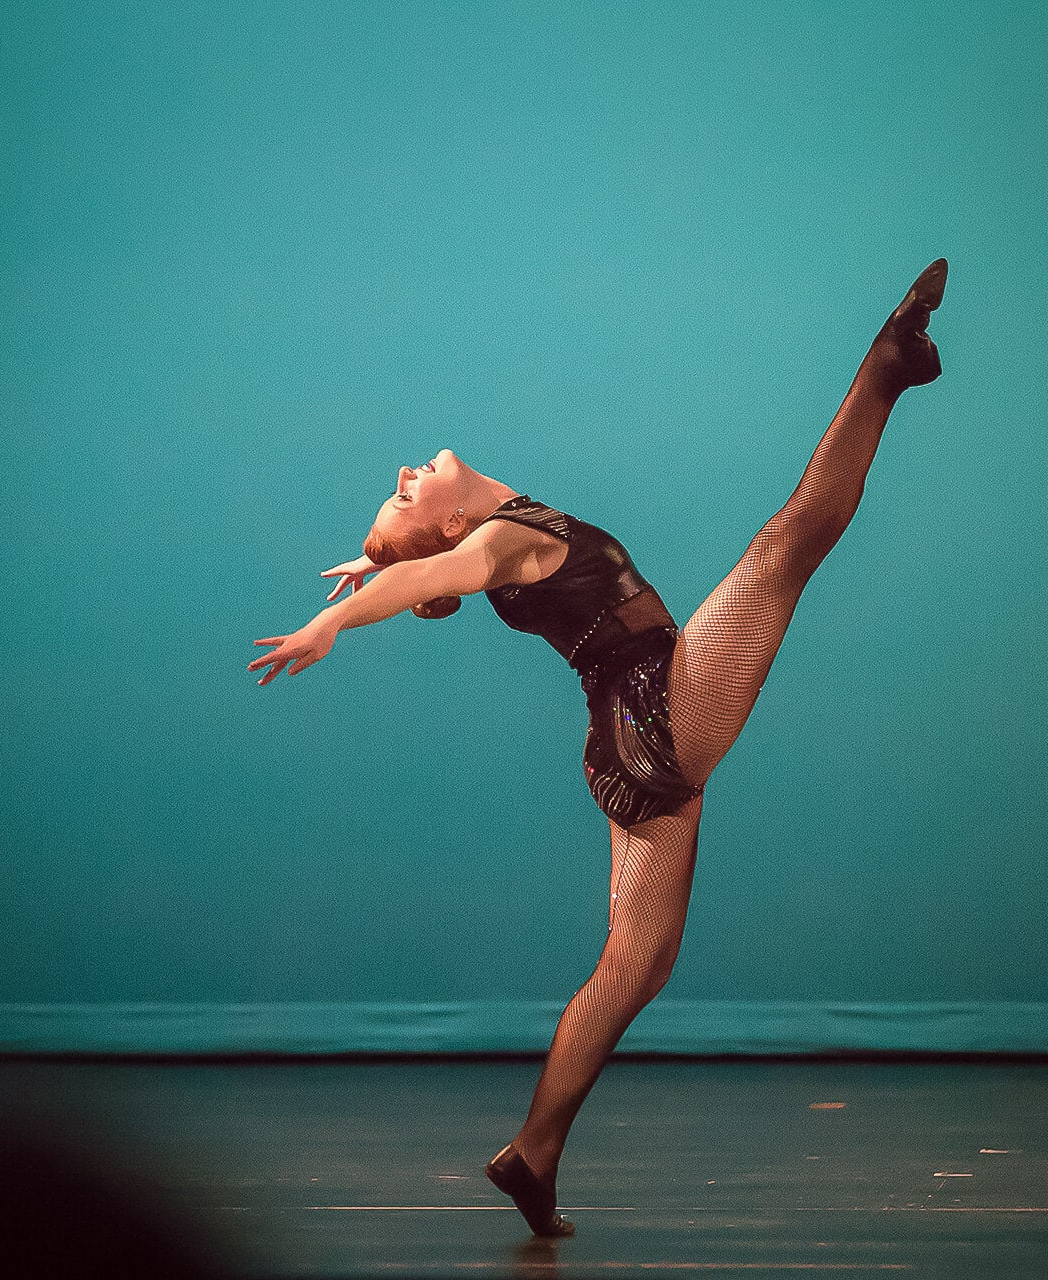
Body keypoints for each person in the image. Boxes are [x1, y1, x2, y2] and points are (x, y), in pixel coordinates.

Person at [248, 259, 947, 1236]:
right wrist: (344, 614)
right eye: (403, 499)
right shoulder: (494, 543)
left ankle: (531, 1153)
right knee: (784, 549)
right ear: (449, 523)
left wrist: (381, 552)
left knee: (637, 967)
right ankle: (886, 366)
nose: (403, 477)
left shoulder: (496, 525)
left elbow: (424, 567)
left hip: (629, 738)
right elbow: (434, 576)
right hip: (655, 708)